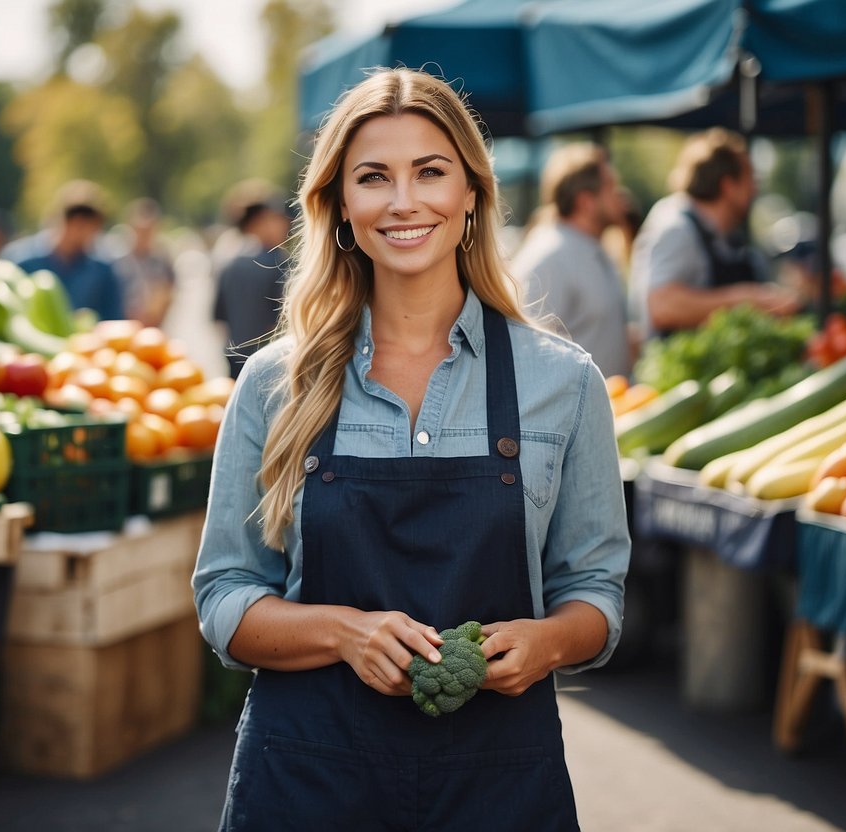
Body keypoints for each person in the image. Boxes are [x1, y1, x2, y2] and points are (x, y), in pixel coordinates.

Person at [192, 68, 629, 831]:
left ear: (471, 194)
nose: (402, 201)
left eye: (430, 171)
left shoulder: (563, 383)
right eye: (372, 178)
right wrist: (344, 633)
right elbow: (224, 595)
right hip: (305, 783)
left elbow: (595, 589)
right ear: (338, 207)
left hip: (498, 786)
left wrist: (548, 640)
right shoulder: (273, 382)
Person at [630, 128, 800, 338]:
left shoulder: (723, 233)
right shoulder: (675, 227)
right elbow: (662, 306)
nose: (755, 191)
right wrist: (746, 300)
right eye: (750, 180)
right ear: (728, 185)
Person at [510, 142, 634, 378]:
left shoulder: (591, 248)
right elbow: (525, 355)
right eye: (610, 186)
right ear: (586, 201)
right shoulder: (549, 256)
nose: (620, 195)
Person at [212, 181, 293, 378]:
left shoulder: (228, 260)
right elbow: (284, 320)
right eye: (280, 219)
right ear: (262, 221)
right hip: (272, 363)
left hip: (234, 357)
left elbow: (218, 317)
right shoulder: (276, 261)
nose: (287, 225)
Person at [15, 180, 125, 321]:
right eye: (92, 227)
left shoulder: (102, 270)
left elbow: (112, 319)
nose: (94, 235)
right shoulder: (23, 261)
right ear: (75, 222)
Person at [113, 197, 176, 327]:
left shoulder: (162, 261)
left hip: (153, 325)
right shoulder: (118, 259)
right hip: (125, 324)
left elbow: (167, 293)